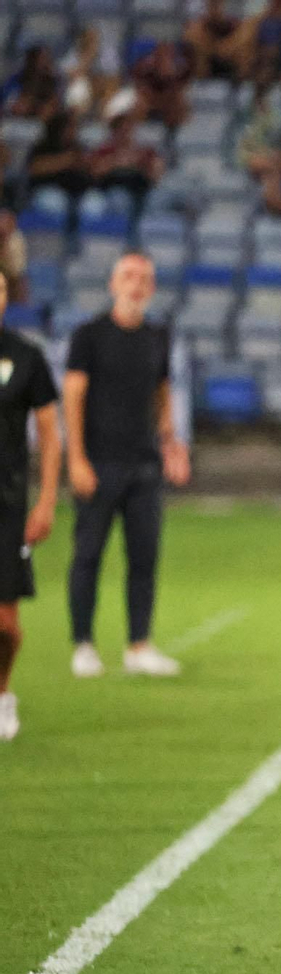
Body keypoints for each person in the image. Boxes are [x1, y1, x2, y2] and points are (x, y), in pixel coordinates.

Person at [63, 254, 190, 680]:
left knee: (144, 557)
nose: (137, 285)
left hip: (144, 466)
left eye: (145, 278)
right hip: (98, 463)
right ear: (113, 283)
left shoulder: (158, 336)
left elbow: (162, 389)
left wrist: (171, 441)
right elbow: (73, 397)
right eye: (129, 276)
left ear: (152, 288)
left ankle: (139, 644)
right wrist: (76, 458)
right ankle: (83, 643)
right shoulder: (89, 335)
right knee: (88, 555)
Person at [0, 272, 61, 741]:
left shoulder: (26, 356)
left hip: (8, 504)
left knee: (5, 625)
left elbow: (48, 433)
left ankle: (3, 694)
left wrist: (45, 501)